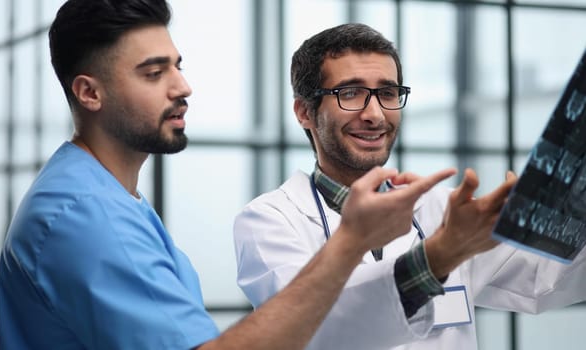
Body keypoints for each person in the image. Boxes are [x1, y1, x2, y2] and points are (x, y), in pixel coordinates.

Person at [0, 2, 458, 350]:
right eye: (154, 73)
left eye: (177, 65)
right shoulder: (87, 215)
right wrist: (353, 240)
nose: (183, 86)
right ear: (89, 93)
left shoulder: (109, 196)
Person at [233, 23, 586, 350]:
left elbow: (545, 280)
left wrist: (570, 207)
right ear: (304, 112)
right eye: (351, 93)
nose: (375, 114)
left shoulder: (441, 210)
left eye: (387, 92)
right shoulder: (269, 221)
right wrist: (438, 256)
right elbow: (309, 328)